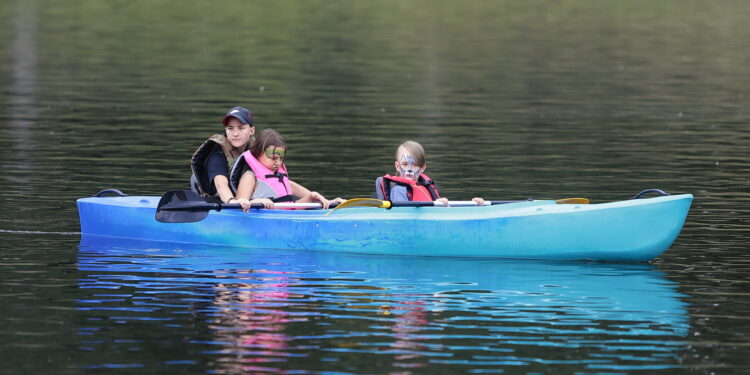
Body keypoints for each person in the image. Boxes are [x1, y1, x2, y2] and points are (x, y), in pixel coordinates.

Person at [232, 129, 344, 210]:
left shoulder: (282, 179)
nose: (278, 163)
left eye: (281, 159)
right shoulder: (250, 177)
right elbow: (238, 206)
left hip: (286, 217)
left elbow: (293, 208)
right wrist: (256, 202)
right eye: (273, 158)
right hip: (261, 223)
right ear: (257, 155)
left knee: (313, 195)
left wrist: (326, 201)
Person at [190, 106, 268, 210]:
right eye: (230, 128)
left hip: (249, 201)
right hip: (223, 203)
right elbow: (221, 185)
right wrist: (233, 201)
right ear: (226, 130)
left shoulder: (257, 152)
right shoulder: (217, 157)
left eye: (241, 128)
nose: (235, 134)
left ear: (252, 130)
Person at [375, 140, 484, 206]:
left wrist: (473, 205)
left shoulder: (426, 186)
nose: (410, 169)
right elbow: (402, 218)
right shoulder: (399, 191)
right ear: (397, 166)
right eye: (405, 164)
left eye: (415, 165)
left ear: (422, 168)